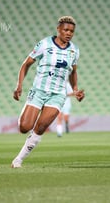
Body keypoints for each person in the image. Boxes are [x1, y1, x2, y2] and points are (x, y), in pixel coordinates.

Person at [11, 16, 85, 168]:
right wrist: (19, 85)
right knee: (25, 127)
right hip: (39, 91)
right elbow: (26, 64)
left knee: (41, 128)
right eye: (65, 30)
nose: (69, 33)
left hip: (58, 95)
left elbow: (73, 72)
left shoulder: (74, 50)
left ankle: (18, 160)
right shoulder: (44, 44)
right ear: (58, 29)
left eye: (71, 31)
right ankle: (25, 121)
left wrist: (75, 89)